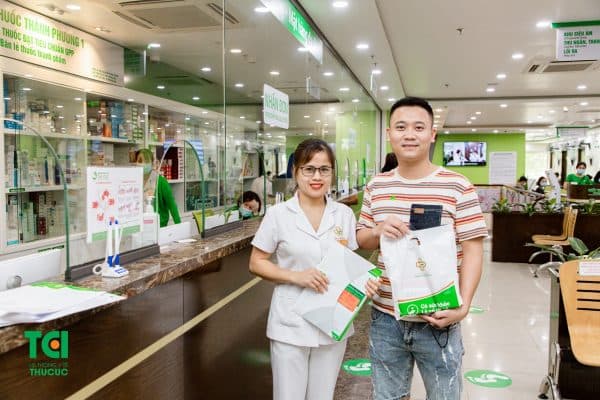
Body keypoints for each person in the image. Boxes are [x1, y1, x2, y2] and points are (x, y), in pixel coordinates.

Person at [356, 97, 487, 400]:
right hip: (386, 318)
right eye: (401, 127)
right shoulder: (377, 186)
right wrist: (377, 230)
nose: (409, 135)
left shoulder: (457, 185)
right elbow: (362, 239)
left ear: (432, 134)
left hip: (439, 315)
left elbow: (473, 250)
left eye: (419, 127)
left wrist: (464, 305)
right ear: (389, 133)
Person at [249, 138, 380, 400]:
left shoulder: (343, 214)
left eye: (324, 170)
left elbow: (349, 267)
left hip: (333, 321)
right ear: (295, 171)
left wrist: (364, 285)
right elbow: (256, 262)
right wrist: (296, 276)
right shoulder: (278, 214)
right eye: (309, 169)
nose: (317, 177)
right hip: (290, 322)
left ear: (332, 173)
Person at [135, 149, 181, 228]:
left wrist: (180, 227)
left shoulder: (161, 182)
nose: (142, 164)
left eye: (146, 161)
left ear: (152, 163)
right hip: (139, 226)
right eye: (139, 161)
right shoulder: (134, 181)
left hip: (158, 226)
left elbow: (172, 206)